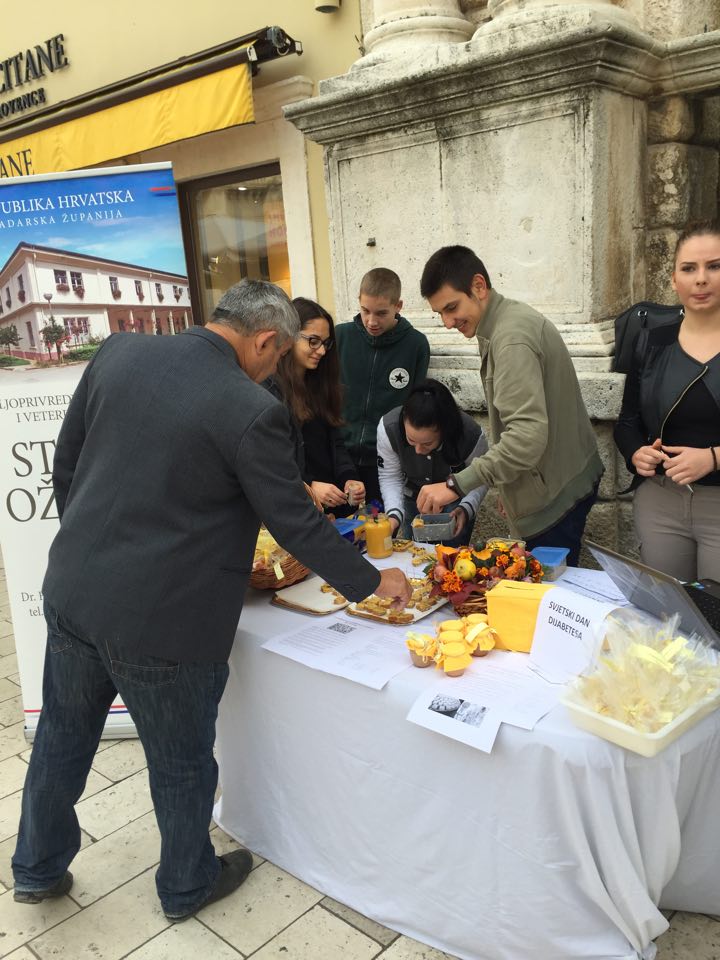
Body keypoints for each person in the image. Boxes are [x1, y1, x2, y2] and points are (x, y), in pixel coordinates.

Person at [11, 280, 411, 921]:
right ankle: (186, 883)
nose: (273, 372)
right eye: (276, 358)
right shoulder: (249, 408)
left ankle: (35, 867)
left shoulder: (119, 351)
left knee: (62, 735)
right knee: (181, 760)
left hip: (74, 591)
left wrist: (92, 549)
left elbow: (68, 462)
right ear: (264, 340)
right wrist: (372, 581)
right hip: (165, 622)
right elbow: (293, 521)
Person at [417, 245, 603, 566]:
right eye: (439, 314)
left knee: (543, 594)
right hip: (549, 488)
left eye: (451, 307)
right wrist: (509, 488)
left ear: (479, 286)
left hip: (554, 499)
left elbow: (526, 437)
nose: (447, 322)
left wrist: (455, 485)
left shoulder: (511, 338)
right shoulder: (499, 325)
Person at [614, 220, 720, 581]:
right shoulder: (651, 342)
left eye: (714, 266)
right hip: (660, 503)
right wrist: (636, 453)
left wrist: (712, 457)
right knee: (664, 608)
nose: (701, 279)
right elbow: (627, 423)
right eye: (689, 268)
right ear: (674, 279)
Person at [336, 267, 430, 503]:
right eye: (365, 310)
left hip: (386, 462)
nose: (371, 321)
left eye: (381, 313)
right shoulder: (340, 337)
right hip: (339, 458)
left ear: (398, 306)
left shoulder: (416, 345)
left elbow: (415, 404)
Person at [268, 297, 365, 514]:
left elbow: (335, 440)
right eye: (313, 341)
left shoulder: (321, 383)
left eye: (326, 343)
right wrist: (309, 486)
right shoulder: (271, 389)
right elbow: (273, 460)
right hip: (297, 509)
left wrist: (349, 477)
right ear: (289, 337)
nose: (321, 351)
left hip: (333, 506)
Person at [377, 378, 488, 545]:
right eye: (411, 440)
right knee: (414, 552)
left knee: (453, 555)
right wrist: (393, 516)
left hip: (455, 501)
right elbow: (390, 476)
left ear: (445, 429)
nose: (418, 450)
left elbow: (481, 478)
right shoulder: (388, 428)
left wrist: (465, 509)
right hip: (412, 498)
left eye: (427, 443)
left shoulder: (470, 434)